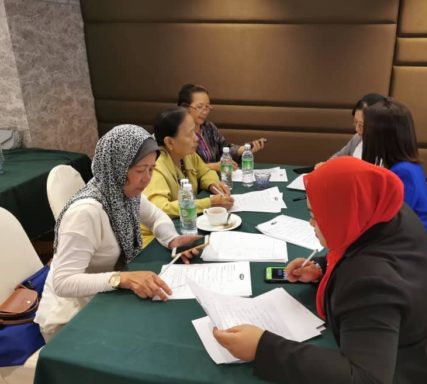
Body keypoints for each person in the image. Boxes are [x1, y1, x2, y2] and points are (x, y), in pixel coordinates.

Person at [213, 157, 427, 384]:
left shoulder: (370, 282)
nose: (311, 223)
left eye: (315, 214)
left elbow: (366, 383)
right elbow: (365, 250)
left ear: (343, 213)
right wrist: (323, 268)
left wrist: (262, 348)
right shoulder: (389, 211)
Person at [35, 125, 201, 341]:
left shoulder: (123, 192)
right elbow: (63, 282)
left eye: (151, 169)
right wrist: (122, 279)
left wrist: (172, 240)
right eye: (140, 170)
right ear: (118, 168)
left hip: (105, 296)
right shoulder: (86, 212)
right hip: (73, 316)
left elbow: (156, 217)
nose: (147, 178)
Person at [141, 108, 234, 246]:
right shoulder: (155, 166)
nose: (196, 138)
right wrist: (209, 203)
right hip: (156, 239)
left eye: (195, 131)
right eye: (190, 134)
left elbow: (205, 172)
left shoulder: (187, 154)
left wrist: (213, 185)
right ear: (169, 142)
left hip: (185, 227)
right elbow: (161, 208)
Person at [361, 97, 427, 247]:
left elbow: (387, 227)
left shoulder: (402, 173)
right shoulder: (407, 167)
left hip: (412, 254)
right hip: (410, 248)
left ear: (380, 136)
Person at [178, 83, 267, 171]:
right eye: (200, 107)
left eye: (207, 107)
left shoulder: (208, 127)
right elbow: (183, 168)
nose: (205, 111)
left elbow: (224, 149)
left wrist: (245, 149)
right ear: (185, 107)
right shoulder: (178, 132)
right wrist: (213, 166)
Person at [315, 92, 385, 169]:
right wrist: (326, 165)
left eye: (361, 125)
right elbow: (338, 158)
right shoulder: (357, 139)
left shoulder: (389, 149)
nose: (357, 129)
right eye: (355, 122)